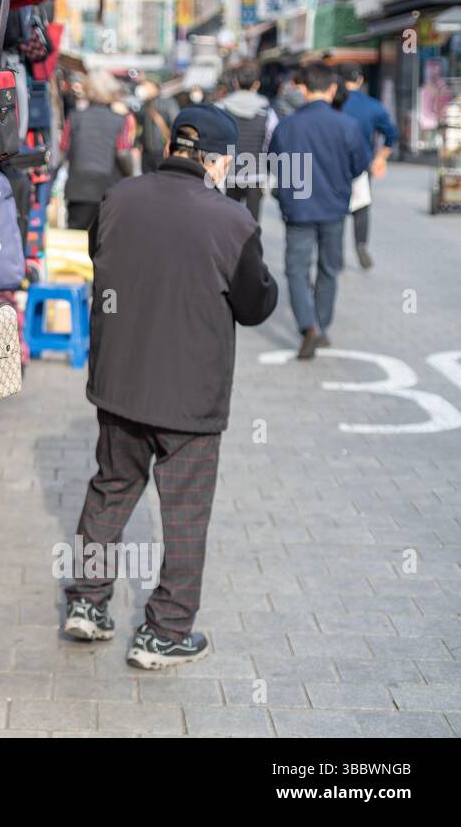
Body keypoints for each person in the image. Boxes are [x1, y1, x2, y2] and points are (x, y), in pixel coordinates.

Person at [63, 105, 278, 669]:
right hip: (191, 396)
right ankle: (165, 633)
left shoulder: (118, 198)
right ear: (217, 158)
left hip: (119, 383)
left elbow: (98, 255)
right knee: (184, 512)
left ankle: (87, 604)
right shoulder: (232, 221)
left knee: (110, 490)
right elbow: (256, 305)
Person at [268, 62, 372, 360]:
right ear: (330, 89)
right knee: (329, 268)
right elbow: (359, 167)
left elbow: (275, 165)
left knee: (296, 270)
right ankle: (322, 327)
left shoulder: (287, 126)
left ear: (303, 88)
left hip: (297, 210)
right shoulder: (347, 125)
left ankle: (307, 326)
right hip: (333, 209)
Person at [337, 63, 398, 268]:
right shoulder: (373, 105)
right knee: (361, 206)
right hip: (362, 165)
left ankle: (335, 251)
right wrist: (381, 158)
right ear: (360, 80)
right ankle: (361, 245)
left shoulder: (332, 103)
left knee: (335, 208)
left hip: (333, 164)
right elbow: (391, 134)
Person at [61, 70, 135, 231]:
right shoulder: (120, 121)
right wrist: (131, 175)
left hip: (78, 189)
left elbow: (63, 150)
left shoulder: (74, 117)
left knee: (75, 242)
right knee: (105, 243)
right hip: (109, 189)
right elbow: (123, 152)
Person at [217, 62, 278, 222]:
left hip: (230, 172)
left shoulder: (221, 108)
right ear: (256, 85)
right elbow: (271, 142)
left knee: (230, 223)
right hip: (256, 173)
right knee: (252, 224)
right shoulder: (267, 111)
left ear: (235, 83)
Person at [135, 78, 171, 169]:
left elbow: (174, 122)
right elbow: (139, 127)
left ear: (155, 88)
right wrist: (137, 143)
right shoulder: (143, 105)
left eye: (146, 86)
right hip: (146, 152)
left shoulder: (167, 103)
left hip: (161, 150)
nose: (143, 89)